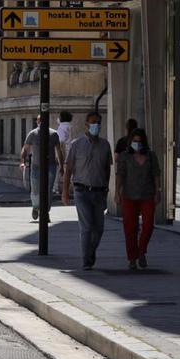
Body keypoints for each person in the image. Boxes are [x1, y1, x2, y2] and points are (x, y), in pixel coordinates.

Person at [61, 111, 112, 270]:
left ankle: (90, 252)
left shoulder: (105, 145)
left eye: (98, 123)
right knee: (87, 227)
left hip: (99, 191)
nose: (95, 125)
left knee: (99, 229)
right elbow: (68, 169)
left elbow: (107, 169)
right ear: (86, 125)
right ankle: (86, 261)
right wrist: (65, 191)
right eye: (92, 122)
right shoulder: (76, 145)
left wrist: (106, 189)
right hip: (81, 191)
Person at [117, 128, 161, 270]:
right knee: (130, 228)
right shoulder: (125, 156)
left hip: (147, 195)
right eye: (134, 141)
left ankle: (141, 251)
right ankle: (132, 258)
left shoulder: (151, 156)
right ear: (130, 142)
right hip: (129, 196)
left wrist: (158, 191)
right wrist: (117, 192)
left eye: (140, 141)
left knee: (148, 225)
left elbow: (156, 174)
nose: (137, 144)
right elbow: (120, 175)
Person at [20, 115, 65, 221]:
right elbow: (25, 148)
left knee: (48, 190)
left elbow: (59, 151)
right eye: (40, 120)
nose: (41, 122)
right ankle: (36, 207)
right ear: (37, 122)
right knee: (35, 190)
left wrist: (62, 166)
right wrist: (23, 162)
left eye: (43, 120)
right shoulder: (33, 134)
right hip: (36, 166)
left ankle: (45, 212)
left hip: (50, 166)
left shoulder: (54, 134)